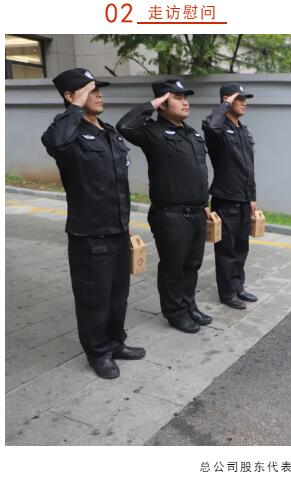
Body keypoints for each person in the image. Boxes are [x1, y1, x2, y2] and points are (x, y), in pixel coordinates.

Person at [41, 68, 145, 379]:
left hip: (117, 231)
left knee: (117, 295)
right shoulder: (67, 134)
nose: (99, 94)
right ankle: (98, 352)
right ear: (70, 96)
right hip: (89, 235)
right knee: (93, 298)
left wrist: (125, 223)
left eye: (99, 89)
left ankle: (115, 342)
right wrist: (74, 108)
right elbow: (55, 143)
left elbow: (117, 183)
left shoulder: (108, 132)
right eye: (90, 90)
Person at [116, 79, 214, 334]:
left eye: (186, 97)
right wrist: (152, 104)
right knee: (173, 267)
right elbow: (125, 126)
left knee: (192, 265)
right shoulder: (152, 132)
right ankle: (175, 312)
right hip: (171, 215)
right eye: (177, 98)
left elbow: (197, 172)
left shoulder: (191, 133)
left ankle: (189, 305)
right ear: (162, 104)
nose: (185, 102)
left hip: (197, 213)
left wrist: (204, 203)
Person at [202, 83, 258, 310]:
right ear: (227, 99)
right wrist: (224, 105)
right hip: (225, 200)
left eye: (245, 99)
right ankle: (227, 293)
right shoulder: (218, 130)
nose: (244, 103)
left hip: (243, 200)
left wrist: (252, 197)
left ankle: (238, 287)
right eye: (239, 98)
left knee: (241, 248)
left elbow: (249, 168)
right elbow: (210, 124)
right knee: (226, 250)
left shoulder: (244, 131)